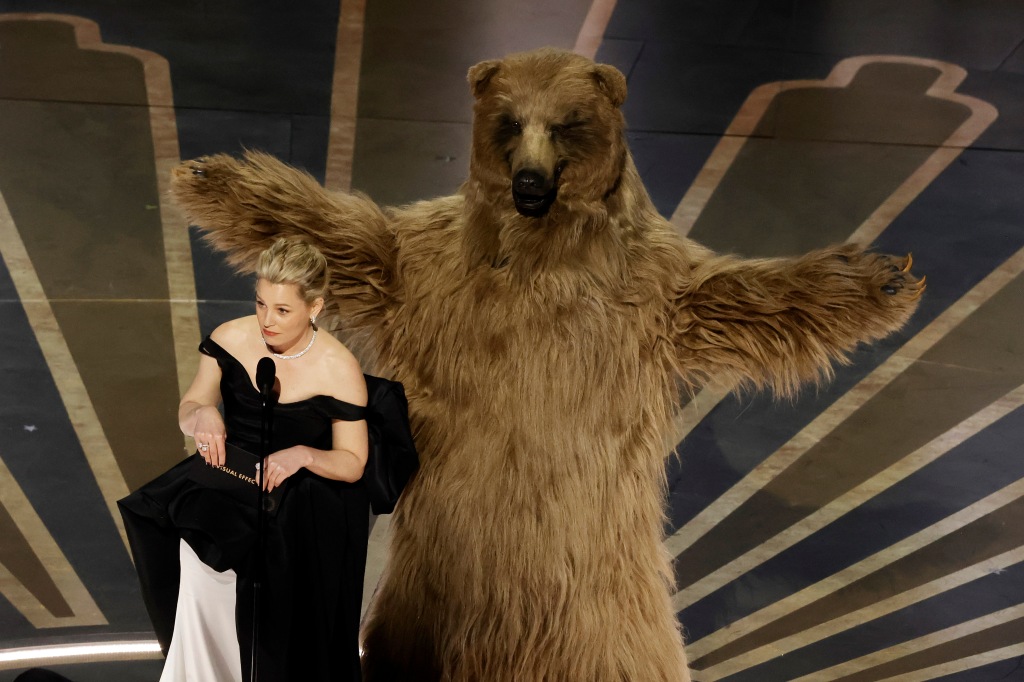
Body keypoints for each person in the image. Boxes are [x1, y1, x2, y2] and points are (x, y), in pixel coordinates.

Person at [118, 237, 370, 681]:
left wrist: (305, 455)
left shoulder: (339, 368)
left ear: (315, 307)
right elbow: (190, 405)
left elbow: (352, 461)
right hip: (229, 485)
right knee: (197, 556)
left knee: (277, 599)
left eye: (283, 310)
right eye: (260, 304)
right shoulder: (229, 337)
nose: (267, 321)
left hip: (295, 497)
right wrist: (203, 416)